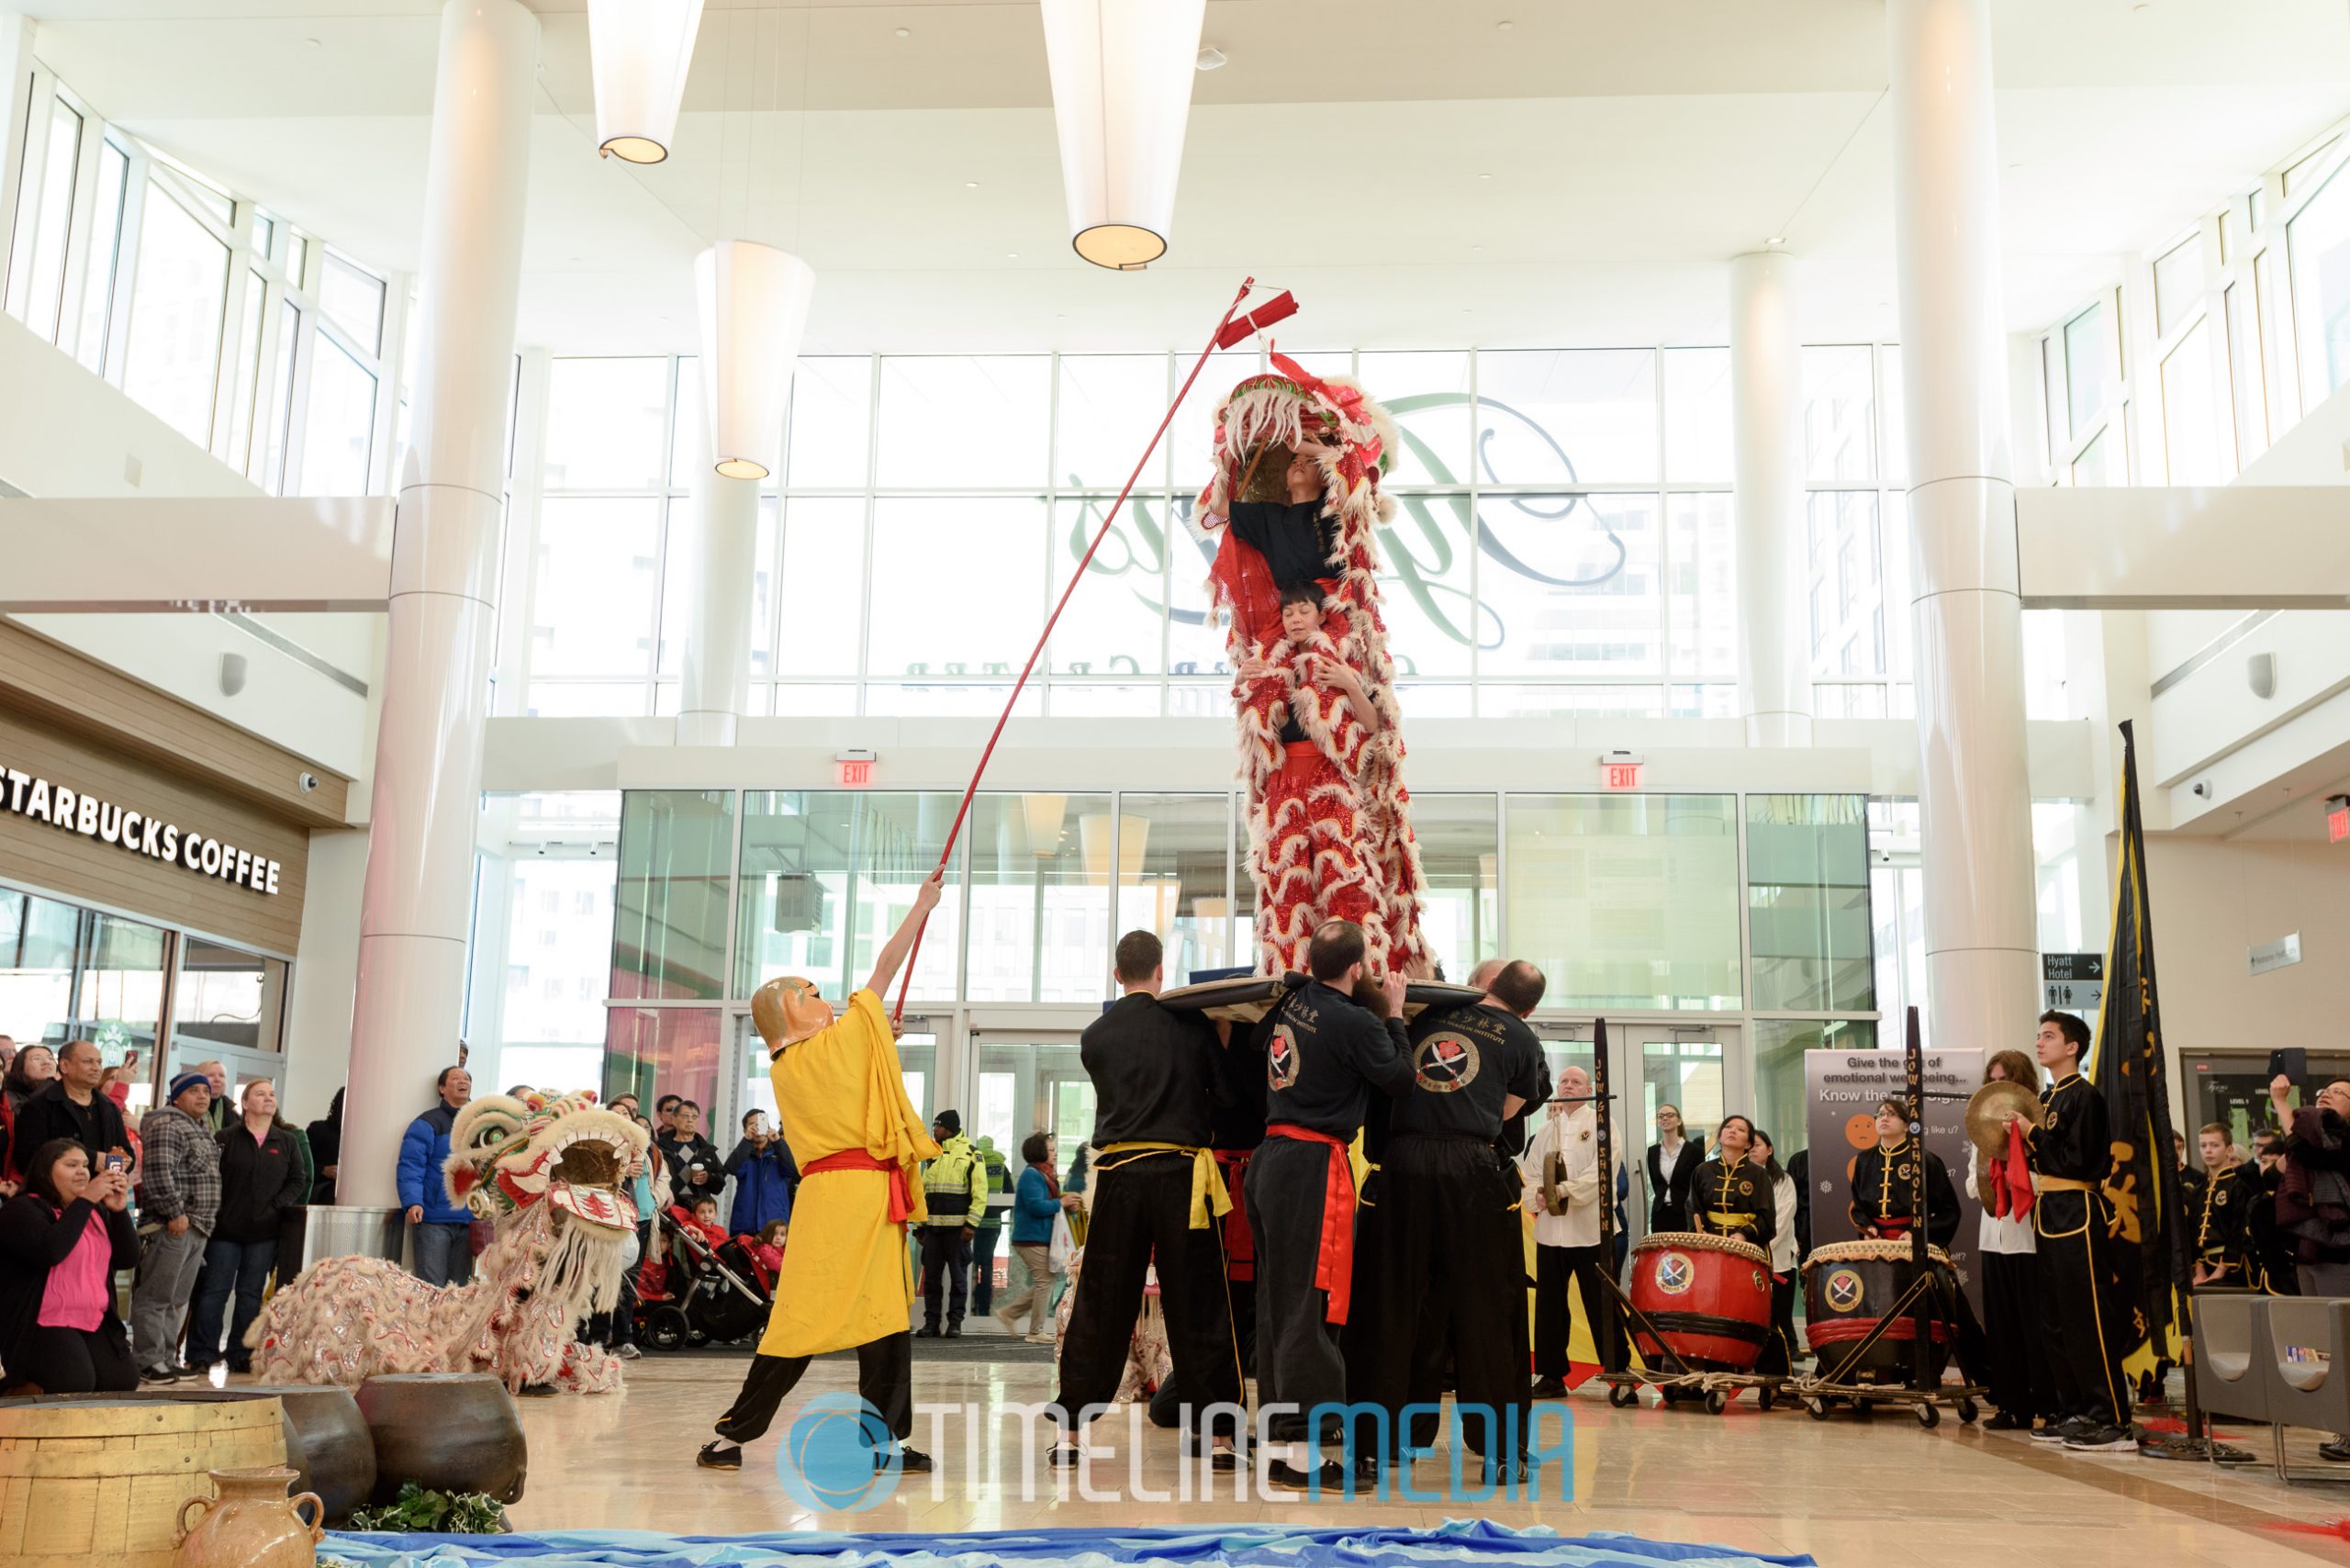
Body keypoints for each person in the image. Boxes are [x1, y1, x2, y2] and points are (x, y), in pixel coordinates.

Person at [699, 869, 943, 1473]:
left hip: (846, 1196)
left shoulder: (793, 1066)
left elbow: (855, 1068)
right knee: (819, 1317)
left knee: (877, 1318)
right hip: (854, 1198)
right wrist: (923, 904)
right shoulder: (837, 1044)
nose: (822, 997)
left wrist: (878, 1040)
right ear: (789, 1014)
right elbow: (886, 966)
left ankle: (872, 1441)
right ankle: (736, 1433)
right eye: (808, 994)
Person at [1046, 930, 1243, 1468]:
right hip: (1183, 1175)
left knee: (1101, 1302)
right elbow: (1225, 1097)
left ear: (1117, 975)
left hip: (1119, 1177)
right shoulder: (1191, 1025)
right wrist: (1222, 1036)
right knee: (1198, 1301)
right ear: (1161, 971)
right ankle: (1219, 1437)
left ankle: (1070, 1434)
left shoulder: (1096, 1036)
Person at [1346, 957, 1546, 1476]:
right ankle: (1502, 1452)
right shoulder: (1521, 1037)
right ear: (1530, 1006)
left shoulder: (1429, 1014)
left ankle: (1376, 1445)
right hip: (1470, 1165)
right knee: (1488, 1310)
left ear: (1488, 986)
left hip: (1404, 1162)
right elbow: (1506, 1112)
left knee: (1392, 1304)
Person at [1242, 918, 1414, 1491]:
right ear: (1359, 968)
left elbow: (1251, 1045)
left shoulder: (1290, 1005)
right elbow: (1400, 1078)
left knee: (1279, 1306)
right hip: (1311, 1166)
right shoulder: (1356, 1021)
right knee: (1312, 1306)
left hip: (1270, 1160)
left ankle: (1283, 1440)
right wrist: (1394, 1014)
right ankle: (1308, 1456)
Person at [1235, 585, 1392, 971]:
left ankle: (1355, 974)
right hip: (1282, 785)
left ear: (1321, 615)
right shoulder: (1272, 665)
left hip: (1329, 782)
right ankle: (1290, 975)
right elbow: (1251, 732)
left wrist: (1349, 683)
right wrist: (1242, 681)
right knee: (1287, 889)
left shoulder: (1338, 660)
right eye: (1288, 614)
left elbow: (1372, 725)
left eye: (1303, 610)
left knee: (1343, 879)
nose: (1295, 620)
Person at [2010, 1011, 2132, 1452]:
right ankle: (2076, 1409)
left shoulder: (2084, 1096)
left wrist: (2033, 1135)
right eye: (2038, 1035)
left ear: (2072, 1047)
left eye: (2048, 1036)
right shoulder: (2046, 1098)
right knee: (2056, 1321)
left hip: (2079, 1207)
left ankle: (2112, 1419)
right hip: (2049, 1209)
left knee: (2088, 1317)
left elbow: (2078, 1160)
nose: (2039, 1043)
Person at [0, 1137, 140, 1394]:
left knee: (122, 1381)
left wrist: (118, 1212)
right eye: (71, 1164)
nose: (82, 1171)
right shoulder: (21, 1209)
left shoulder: (96, 1212)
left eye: (86, 1165)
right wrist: (86, 1200)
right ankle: (16, 1390)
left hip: (93, 1319)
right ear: (45, 1170)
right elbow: (51, 1250)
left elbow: (127, 1259)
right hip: (41, 1323)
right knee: (74, 1381)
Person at [185, 1079, 306, 1373]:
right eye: (261, 1094)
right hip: (225, 1231)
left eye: (272, 1094)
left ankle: (241, 1354)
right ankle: (201, 1353)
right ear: (246, 1103)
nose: (268, 1098)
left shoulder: (286, 1141)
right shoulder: (225, 1138)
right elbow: (208, 1180)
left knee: (251, 1294)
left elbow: (297, 1181)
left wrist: (277, 1206)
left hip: (264, 1233)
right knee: (215, 1291)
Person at [1525, 1056, 1624, 1399]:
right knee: (1550, 1304)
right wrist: (1538, 1195)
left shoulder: (1601, 1125)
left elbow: (1601, 1173)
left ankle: (1619, 1370)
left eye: (1574, 1083)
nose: (1567, 1086)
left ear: (1589, 1090)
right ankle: (1551, 1376)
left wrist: (1564, 1191)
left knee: (1599, 1302)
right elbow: (1532, 1171)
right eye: (1563, 1082)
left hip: (1589, 1229)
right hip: (1551, 1231)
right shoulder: (1545, 1130)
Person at [1968, 1048, 2053, 1430]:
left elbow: (2047, 1179)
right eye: (1990, 1081)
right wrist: (1991, 1172)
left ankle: (2047, 1403)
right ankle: (2011, 1404)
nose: (1995, 1087)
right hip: (1993, 1232)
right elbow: (1973, 1186)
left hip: (2030, 1235)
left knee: (2035, 1323)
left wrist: (2017, 1171)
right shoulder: (1981, 1130)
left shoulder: (2039, 1122)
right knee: (2001, 1324)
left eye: (2003, 1080)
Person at [131, 1072, 221, 1382]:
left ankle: (167, 1358)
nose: (202, 1096)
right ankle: (146, 1360)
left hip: (198, 1225)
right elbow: (159, 1173)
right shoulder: (167, 1124)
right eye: (193, 1091)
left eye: (205, 1091)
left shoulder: (201, 1128)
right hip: (172, 1224)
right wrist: (174, 1212)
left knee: (177, 1298)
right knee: (156, 1295)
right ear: (176, 1097)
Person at [397, 1066, 474, 1288]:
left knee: (459, 1291)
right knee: (431, 1288)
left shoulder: (481, 1125)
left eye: (467, 1078)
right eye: (455, 1078)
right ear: (442, 1088)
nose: (463, 1081)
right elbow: (411, 1165)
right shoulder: (427, 1122)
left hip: (469, 1221)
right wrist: (412, 1202)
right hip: (433, 1220)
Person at [12, 1039, 133, 1179]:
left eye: (99, 1062)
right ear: (64, 1065)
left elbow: (127, 1153)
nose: (96, 1068)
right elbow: (30, 1158)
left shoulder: (109, 1107)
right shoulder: (39, 1106)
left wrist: (111, 1164)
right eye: (88, 1061)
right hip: (54, 1196)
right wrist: (92, 1160)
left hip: (102, 1196)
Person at [1848, 1097, 1961, 1246]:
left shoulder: (1925, 1159)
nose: (1884, 1119)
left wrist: (1917, 1234)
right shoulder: (1864, 1160)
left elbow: (1949, 1211)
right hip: (1875, 1246)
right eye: (1880, 1115)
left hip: (1914, 1244)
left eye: (1891, 1114)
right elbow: (1859, 1207)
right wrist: (1868, 1228)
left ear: (1907, 1126)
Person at [916, 1108, 987, 1336]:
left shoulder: (971, 1154)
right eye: (934, 1126)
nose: (934, 1130)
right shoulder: (930, 1155)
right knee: (931, 1281)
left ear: (950, 1128)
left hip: (958, 1231)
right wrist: (919, 1226)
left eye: (938, 1126)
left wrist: (971, 1225)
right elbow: (921, 1192)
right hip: (933, 1231)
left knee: (958, 1280)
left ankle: (955, 1323)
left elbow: (980, 1194)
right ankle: (931, 1323)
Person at [995, 1131, 1070, 1343]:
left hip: (1039, 1236)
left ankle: (1010, 1314)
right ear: (1040, 1151)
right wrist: (1061, 1203)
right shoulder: (1032, 1175)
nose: (1055, 1153)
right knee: (1044, 1281)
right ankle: (1035, 1331)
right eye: (1051, 1149)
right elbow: (1036, 1206)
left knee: (1045, 1281)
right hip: (1031, 1237)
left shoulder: (1043, 1174)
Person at [1750, 1129, 1800, 1376]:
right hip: (1746, 1255)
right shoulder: (1743, 1179)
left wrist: (1758, 1244)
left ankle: (1785, 1366)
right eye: (1750, 1145)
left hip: (1776, 1255)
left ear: (1769, 1150)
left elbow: (1781, 1219)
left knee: (1778, 1315)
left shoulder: (1783, 1180)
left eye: (1757, 1145)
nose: (1752, 1149)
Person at [1689, 1114, 1775, 1247]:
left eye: (1740, 1129)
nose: (1733, 1131)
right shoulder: (1702, 1171)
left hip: (1747, 1247)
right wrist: (1702, 1233)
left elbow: (1767, 1218)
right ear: (1720, 1137)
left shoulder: (1759, 1174)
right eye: (1728, 1127)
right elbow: (1693, 1209)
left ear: (1748, 1144)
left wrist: (1744, 1234)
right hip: (1708, 1246)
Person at [2191, 1123, 2259, 1286]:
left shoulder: (2239, 1184)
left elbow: (2239, 1229)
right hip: (2204, 1265)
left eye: (2215, 1145)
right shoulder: (2199, 1189)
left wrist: (2220, 1270)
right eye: (2203, 1145)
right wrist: (2199, 1270)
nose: (2208, 1150)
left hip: (2233, 1266)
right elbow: (2193, 1230)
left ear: (2229, 1150)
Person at [723, 1109, 798, 1238]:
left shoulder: (778, 1151)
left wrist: (778, 1142)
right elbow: (732, 1168)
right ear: (745, 1130)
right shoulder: (744, 1151)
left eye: (761, 1123)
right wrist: (746, 1140)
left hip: (775, 1228)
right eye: (753, 1124)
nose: (758, 1127)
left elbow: (792, 1170)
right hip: (744, 1226)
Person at [970, 1135, 1012, 1316]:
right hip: (993, 1224)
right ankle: (984, 1308)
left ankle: (970, 1304)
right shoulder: (1001, 1166)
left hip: (973, 1221)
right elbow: (1011, 1195)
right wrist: (996, 1211)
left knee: (971, 1264)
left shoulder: (974, 1163)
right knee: (987, 1266)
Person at [1646, 1103, 1704, 1232]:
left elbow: (1698, 1185)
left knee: (1683, 1251)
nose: (1665, 1118)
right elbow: (1657, 1185)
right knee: (1661, 1251)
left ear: (1679, 1120)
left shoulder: (1695, 1151)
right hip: (1660, 1213)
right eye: (1661, 1116)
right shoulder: (1652, 1151)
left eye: (1670, 1115)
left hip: (1685, 1213)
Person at [660, 1101, 725, 1210]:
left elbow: (720, 1183)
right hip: (669, 1207)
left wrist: (708, 1178)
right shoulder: (661, 1148)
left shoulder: (706, 1150)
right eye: (685, 1116)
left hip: (698, 1210)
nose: (690, 1120)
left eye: (695, 1116)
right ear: (674, 1120)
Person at [306, 1088, 343, 1205]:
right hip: (323, 1191)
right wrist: (323, 1170)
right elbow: (302, 1166)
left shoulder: (362, 1136)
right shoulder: (318, 1130)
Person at [191, 1059, 229, 1133]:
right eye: (211, 1075)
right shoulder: (188, 1107)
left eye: (221, 1076)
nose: (217, 1079)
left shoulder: (231, 1111)